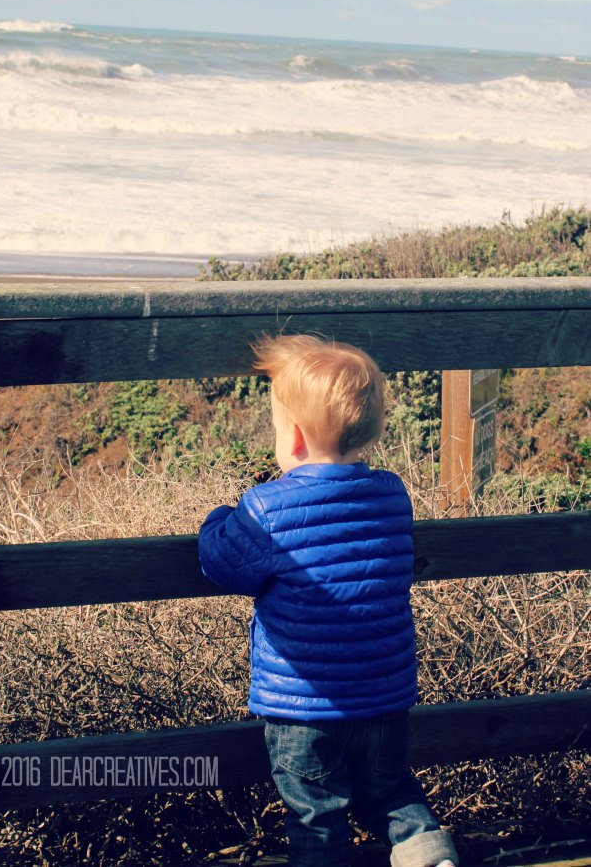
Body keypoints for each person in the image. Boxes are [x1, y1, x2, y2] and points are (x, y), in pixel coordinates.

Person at [197, 333, 457, 867]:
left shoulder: (267, 509)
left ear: (291, 437)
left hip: (304, 709)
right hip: (384, 696)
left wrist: (218, 518)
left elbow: (222, 563)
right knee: (392, 793)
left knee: (316, 815)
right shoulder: (391, 494)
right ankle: (432, 859)